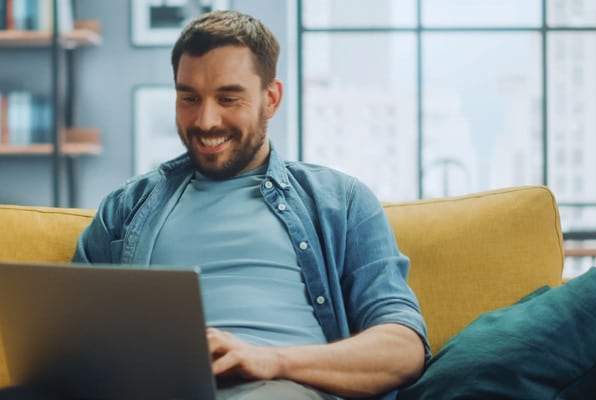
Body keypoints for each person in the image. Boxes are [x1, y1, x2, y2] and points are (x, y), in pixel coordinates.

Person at [73, 10, 429, 400]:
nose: (206, 120)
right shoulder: (127, 207)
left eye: (228, 98)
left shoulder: (340, 201)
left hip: (279, 389)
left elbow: (404, 350)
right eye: (189, 98)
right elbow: (71, 338)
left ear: (271, 98)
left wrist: (272, 360)